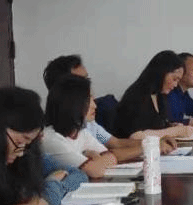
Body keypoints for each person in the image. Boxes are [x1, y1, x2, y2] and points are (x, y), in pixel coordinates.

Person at [43, 55, 172, 158]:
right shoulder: (55, 133)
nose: (86, 85)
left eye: (87, 79)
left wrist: (154, 143)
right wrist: (151, 146)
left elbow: (115, 144)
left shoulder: (88, 125)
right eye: (80, 81)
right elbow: (99, 162)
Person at [40, 74, 119, 179]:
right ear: (73, 104)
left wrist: (90, 157)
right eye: (88, 100)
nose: (95, 106)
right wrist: (92, 157)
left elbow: (112, 158)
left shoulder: (81, 132)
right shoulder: (51, 139)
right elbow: (95, 171)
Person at [114, 51, 193, 141]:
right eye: (174, 79)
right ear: (162, 73)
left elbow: (155, 126)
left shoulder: (159, 95)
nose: (176, 85)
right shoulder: (136, 96)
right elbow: (136, 136)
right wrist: (174, 131)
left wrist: (170, 126)